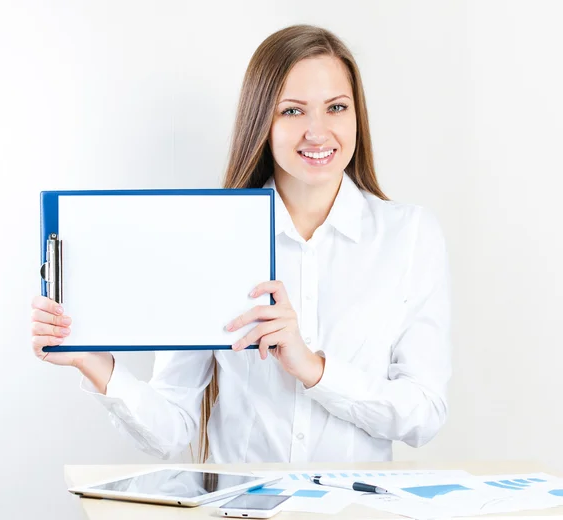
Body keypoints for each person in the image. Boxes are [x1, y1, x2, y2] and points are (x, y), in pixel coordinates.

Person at [31, 24, 451, 465]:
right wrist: (94, 362)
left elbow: (424, 414)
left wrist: (312, 368)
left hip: (356, 508)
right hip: (241, 509)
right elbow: (171, 429)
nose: (317, 132)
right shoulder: (207, 238)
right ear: (262, 120)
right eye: (292, 111)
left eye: (336, 107)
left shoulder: (409, 236)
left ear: (356, 116)